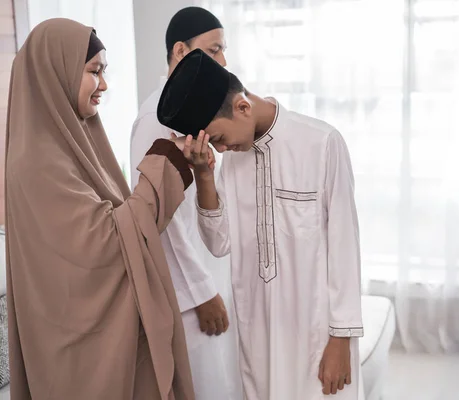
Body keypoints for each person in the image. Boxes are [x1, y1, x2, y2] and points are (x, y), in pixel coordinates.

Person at [5, 18, 201, 399]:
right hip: (79, 356)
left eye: (105, 72)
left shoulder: (77, 145)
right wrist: (164, 164)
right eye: (94, 72)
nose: (105, 86)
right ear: (55, 73)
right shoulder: (37, 164)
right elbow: (105, 244)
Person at [158, 49, 365, 400]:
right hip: (258, 335)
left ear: (242, 107)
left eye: (220, 139)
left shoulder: (322, 143)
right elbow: (219, 243)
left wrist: (341, 339)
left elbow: (345, 245)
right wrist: (204, 176)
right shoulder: (234, 161)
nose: (222, 150)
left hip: (315, 335)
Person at [129, 7, 242, 399]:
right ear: (180, 50)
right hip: (188, 294)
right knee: (207, 386)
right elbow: (159, 218)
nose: (224, 61)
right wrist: (202, 292)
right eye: (214, 50)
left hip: (207, 271)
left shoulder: (192, 107)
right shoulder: (154, 119)